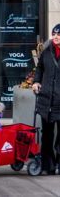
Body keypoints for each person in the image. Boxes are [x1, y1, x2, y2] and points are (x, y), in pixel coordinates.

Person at [32, 24, 60, 175]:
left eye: (59, 34)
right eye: (54, 34)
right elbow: (40, 68)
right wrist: (36, 81)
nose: (56, 36)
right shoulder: (46, 52)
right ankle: (47, 165)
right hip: (46, 100)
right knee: (47, 135)